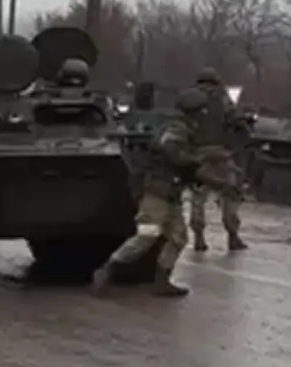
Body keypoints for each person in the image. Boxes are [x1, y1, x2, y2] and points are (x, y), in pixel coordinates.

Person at [91, 88, 213, 297]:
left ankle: (162, 279)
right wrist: (194, 162)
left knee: (178, 237)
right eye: (202, 110)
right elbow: (170, 150)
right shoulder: (177, 127)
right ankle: (106, 271)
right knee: (147, 235)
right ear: (195, 111)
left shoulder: (185, 127)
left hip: (170, 192)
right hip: (157, 190)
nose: (204, 114)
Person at [189, 67, 249, 252]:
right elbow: (239, 124)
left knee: (198, 198)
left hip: (198, 156)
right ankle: (233, 236)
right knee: (229, 196)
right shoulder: (223, 101)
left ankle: (199, 237)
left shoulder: (189, 101)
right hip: (221, 156)